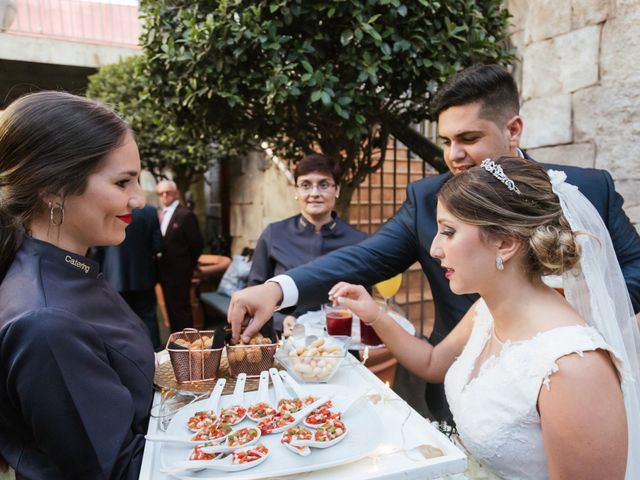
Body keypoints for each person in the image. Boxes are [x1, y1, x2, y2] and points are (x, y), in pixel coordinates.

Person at [228, 64, 640, 421]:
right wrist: (276, 288)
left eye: (468, 138)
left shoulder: (582, 189)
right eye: (445, 141)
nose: (454, 155)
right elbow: (367, 256)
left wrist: (565, 300)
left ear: (512, 129)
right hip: (458, 383)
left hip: (567, 384)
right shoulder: (429, 199)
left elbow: (635, 268)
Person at [330, 157, 640, 479]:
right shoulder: (485, 311)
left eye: (448, 232)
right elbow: (433, 363)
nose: (434, 249)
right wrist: (374, 314)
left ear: (504, 243)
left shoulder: (572, 368)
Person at [0, 91, 154, 479]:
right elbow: (116, 470)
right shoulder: (45, 320)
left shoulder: (72, 269)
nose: (139, 199)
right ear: (53, 188)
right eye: (123, 182)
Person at [247, 153, 367, 335]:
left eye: (324, 184)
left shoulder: (359, 241)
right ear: (296, 191)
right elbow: (255, 292)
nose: (314, 193)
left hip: (343, 346)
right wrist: (281, 319)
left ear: (337, 190)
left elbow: (365, 301)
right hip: (285, 344)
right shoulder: (274, 234)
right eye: (305, 185)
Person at [92, 204, 164, 350]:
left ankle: (127, 355)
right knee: (148, 317)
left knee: (119, 320)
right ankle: (155, 353)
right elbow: (158, 245)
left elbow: (96, 249)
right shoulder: (149, 211)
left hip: (113, 277)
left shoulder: (107, 209)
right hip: (144, 275)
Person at [156, 179, 204, 332]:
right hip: (164, 271)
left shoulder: (185, 215)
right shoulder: (160, 214)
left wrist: (188, 266)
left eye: (168, 192)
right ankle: (176, 341)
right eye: (161, 193)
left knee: (182, 309)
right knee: (171, 308)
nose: (165, 195)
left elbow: (197, 244)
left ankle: (187, 342)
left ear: (176, 194)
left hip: (180, 272)